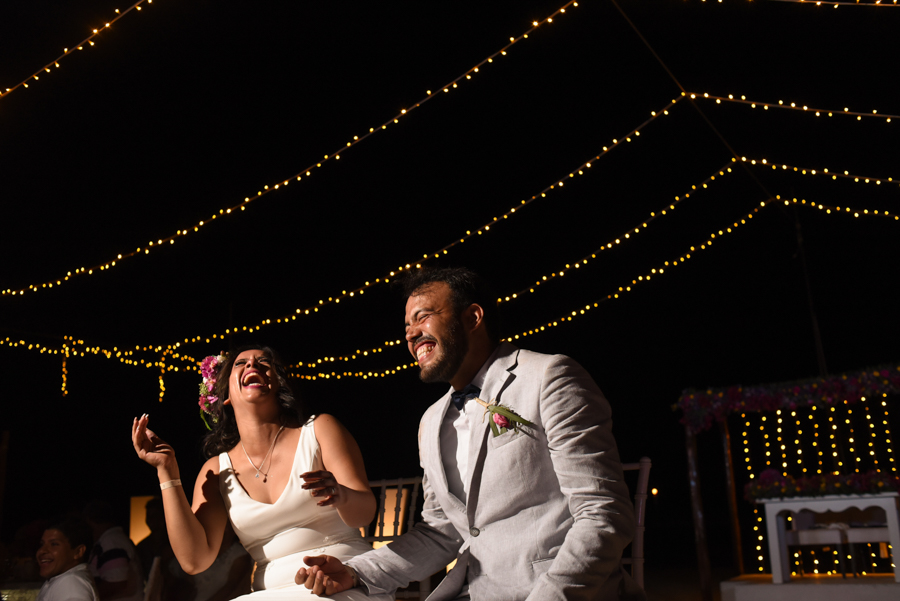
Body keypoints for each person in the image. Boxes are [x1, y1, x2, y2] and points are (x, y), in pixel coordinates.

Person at [296, 268, 644, 600]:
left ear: (473, 317)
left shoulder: (548, 377)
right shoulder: (431, 421)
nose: (411, 333)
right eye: (406, 325)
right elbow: (439, 533)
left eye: (423, 316)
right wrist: (358, 572)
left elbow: (603, 514)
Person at [131, 344, 392, 600]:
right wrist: (167, 473)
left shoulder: (319, 430)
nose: (252, 365)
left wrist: (342, 495)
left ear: (278, 383)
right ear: (226, 394)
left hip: (344, 580)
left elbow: (365, 513)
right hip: (271, 593)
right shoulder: (216, 471)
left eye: (263, 362)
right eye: (241, 363)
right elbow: (194, 560)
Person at [84, 499, 144, 601]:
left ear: (90, 521)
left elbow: (117, 582)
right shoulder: (112, 540)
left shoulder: (111, 541)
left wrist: (86, 595)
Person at [36, 518, 100, 601]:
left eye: (54, 544)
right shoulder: (64, 579)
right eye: (42, 544)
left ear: (78, 552)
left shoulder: (71, 583)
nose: (41, 551)